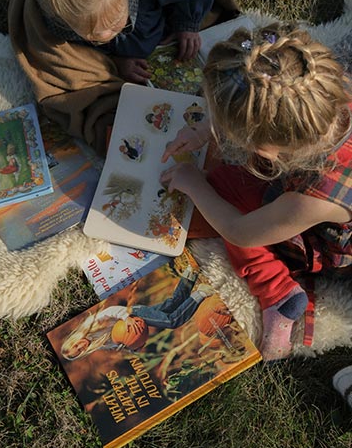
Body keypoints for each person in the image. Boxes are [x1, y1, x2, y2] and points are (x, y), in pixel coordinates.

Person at [160, 24, 352, 361]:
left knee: (221, 197)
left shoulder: (310, 199)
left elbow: (240, 232)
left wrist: (194, 184)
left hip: (331, 242)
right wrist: (203, 130)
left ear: (268, 149)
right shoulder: (326, 89)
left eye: (231, 131)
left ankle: (277, 294)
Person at [9, 0, 239, 154]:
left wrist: (187, 26)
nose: (108, 35)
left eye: (114, 23)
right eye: (93, 36)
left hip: (160, 28)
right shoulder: (58, 21)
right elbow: (72, 61)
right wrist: (115, 63)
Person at [61, 265, 209, 360]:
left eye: (76, 346)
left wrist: (126, 318)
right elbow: (122, 340)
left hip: (134, 314)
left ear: (74, 340)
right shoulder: (98, 344)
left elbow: (111, 311)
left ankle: (201, 292)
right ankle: (190, 273)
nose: (81, 347)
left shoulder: (89, 325)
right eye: (79, 351)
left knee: (172, 321)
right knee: (172, 304)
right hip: (134, 321)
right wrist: (134, 347)